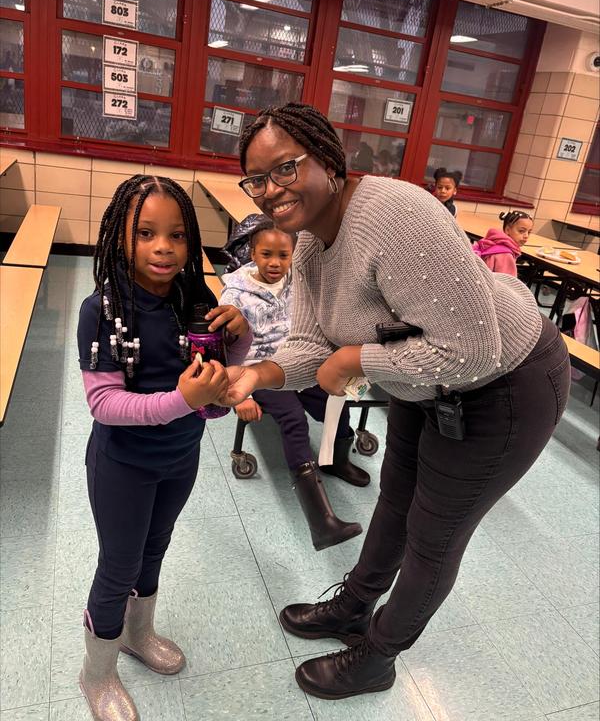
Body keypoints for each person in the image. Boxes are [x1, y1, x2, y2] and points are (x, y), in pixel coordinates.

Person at [219, 102, 570, 701]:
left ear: (328, 160)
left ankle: (377, 657)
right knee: (395, 502)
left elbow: (472, 349)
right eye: (256, 179)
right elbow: (311, 344)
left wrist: (356, 360)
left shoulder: (395, 214)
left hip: (505, 383)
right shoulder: (309, 244)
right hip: (422, 380)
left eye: (285, 168)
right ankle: (354, 606)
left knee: (435, 535)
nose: (270, 190)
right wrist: (259, 374)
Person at [77, 175, 251, 721]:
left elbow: (219, 371)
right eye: (146, 233)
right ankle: (97, 672)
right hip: (123, 465)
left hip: (181, 456)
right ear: (119, 237)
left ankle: (137, 634)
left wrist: (240, 336)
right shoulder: (102, 309)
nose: (164, 248)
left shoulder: (195, 298)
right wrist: (180, 400)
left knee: (155, 550)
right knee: (118, 565)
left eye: (177, 235)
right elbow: (104, 404)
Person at [220, 220, 368, 550]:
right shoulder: (235, 295)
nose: (275, 263)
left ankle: (336, 461)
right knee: (293, 420)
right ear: (253, 254)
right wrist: (241, 394)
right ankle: (320, 519)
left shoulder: (298, 282)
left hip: (298, 362)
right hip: (258, 371)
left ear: (293, 255)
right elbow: (226, 346)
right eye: (266, 254)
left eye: (283, 255)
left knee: (336, 400)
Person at [472, 210, 533, 277]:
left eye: (529, 232)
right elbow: (508, 282)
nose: (526, 236)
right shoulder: (505, 255)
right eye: (521, 231)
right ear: (507, 230)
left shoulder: (491, 241)